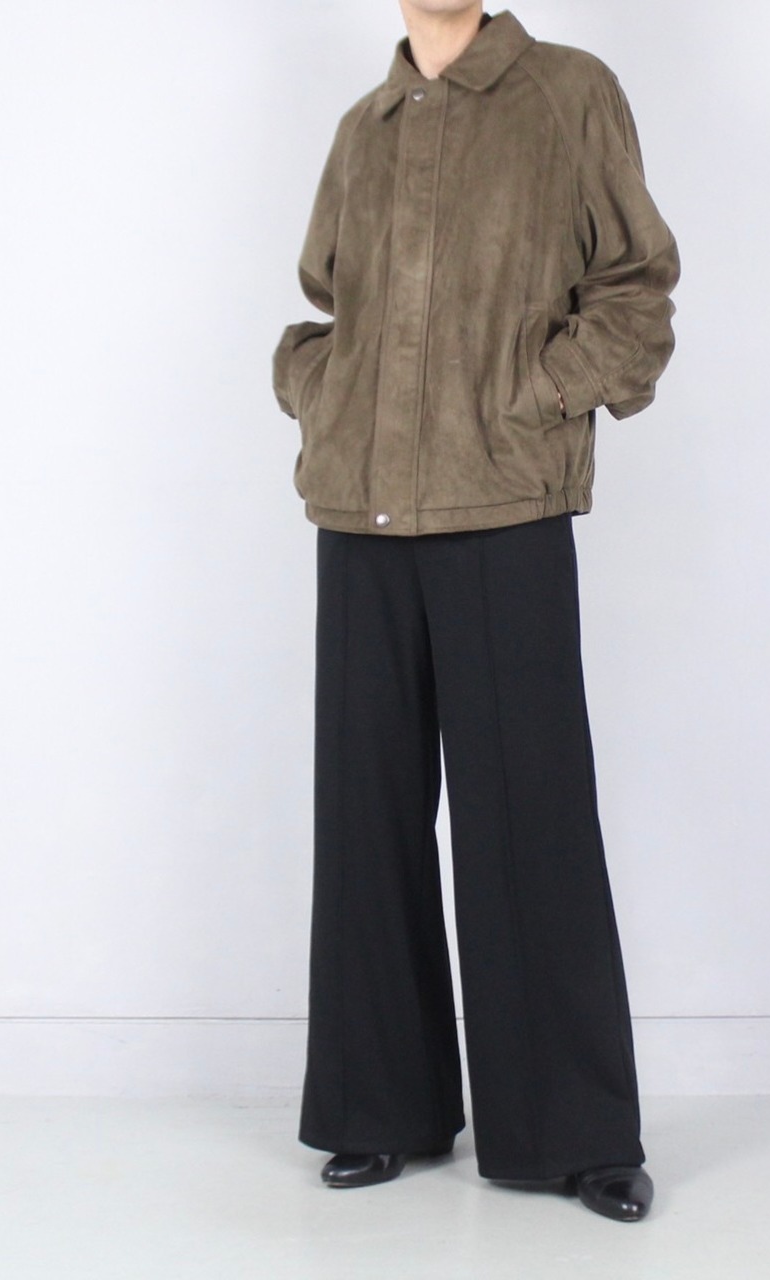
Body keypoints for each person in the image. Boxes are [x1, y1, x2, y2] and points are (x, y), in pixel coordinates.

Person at [272, 2, 680, 1222]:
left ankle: (573, 1131)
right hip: (359, 513)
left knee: (528, 815)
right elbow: (330, 307)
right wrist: (324, 394)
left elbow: (633, 289)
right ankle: (379, 1107)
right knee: (366, 821)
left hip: (501, 503)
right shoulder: (364, 126)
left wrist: (530, 401)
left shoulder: (566, 90)